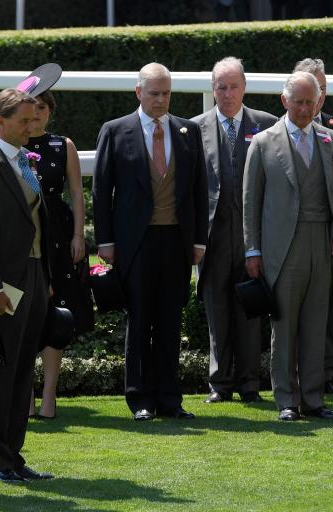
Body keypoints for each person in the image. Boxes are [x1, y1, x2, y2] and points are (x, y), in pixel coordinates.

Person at [92, 63, 209, 421]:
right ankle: (139, 398)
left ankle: (169, 399)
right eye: (154, 93)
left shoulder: (188, 131)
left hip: (176, 240)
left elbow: (200, 189)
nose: (161, 100)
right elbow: (101, 190)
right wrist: (106, 241)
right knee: (140, 320)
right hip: (133, 243)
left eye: (166, 93)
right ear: (138, 92)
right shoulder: (115, 131)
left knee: (170, 322)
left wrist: (199, 242)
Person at [243, 71, 333, 422]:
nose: (304, 109)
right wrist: (253, 250)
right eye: (298, 101)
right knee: (284, 326)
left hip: (322, 244)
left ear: (319, 102)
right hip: (281, 248)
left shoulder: (332, 140)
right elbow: (250, 202)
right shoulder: (263, 143)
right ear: (284, 100)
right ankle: (287, 400)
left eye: (311, 102)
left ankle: (313, 399)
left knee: (317, 325)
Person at [0, 88, 54, 484]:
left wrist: (45, 279)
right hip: (6, 285)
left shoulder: (24, 160)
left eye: (32, 119)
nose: (30, 126)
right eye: (22, 120)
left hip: (34, 277)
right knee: (0, 373)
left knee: (23, 372)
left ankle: (14, 457)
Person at [192, 57, 277, 405]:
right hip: (212, 237)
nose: (227, 94)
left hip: (252, 237)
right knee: (217, 312)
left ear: (245, 87)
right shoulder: (194, 128)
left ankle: (250, 383)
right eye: (221, 87)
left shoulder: (267, 125)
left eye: (233, 86)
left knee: (250, 310)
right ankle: (220, 383)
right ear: (212, 89)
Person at [23, 89, 93, 420]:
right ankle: (25, 395)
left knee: (57, 312)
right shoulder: (12, 144)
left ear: (50, 112)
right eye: (30, 107)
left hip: (59, 233)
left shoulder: (62, 145)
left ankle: (49, 395)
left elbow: (77, 193)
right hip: (24, 231)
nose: (35, 114)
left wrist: (79, 234)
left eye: (42, 108)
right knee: (25, 313)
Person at [292, 57, 333, 396]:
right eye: (314, 88)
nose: (319, 96)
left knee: (328, 311)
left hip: (327, 237)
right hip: (293, 238)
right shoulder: (277, 128)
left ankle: (325, 373)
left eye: (323, 89)